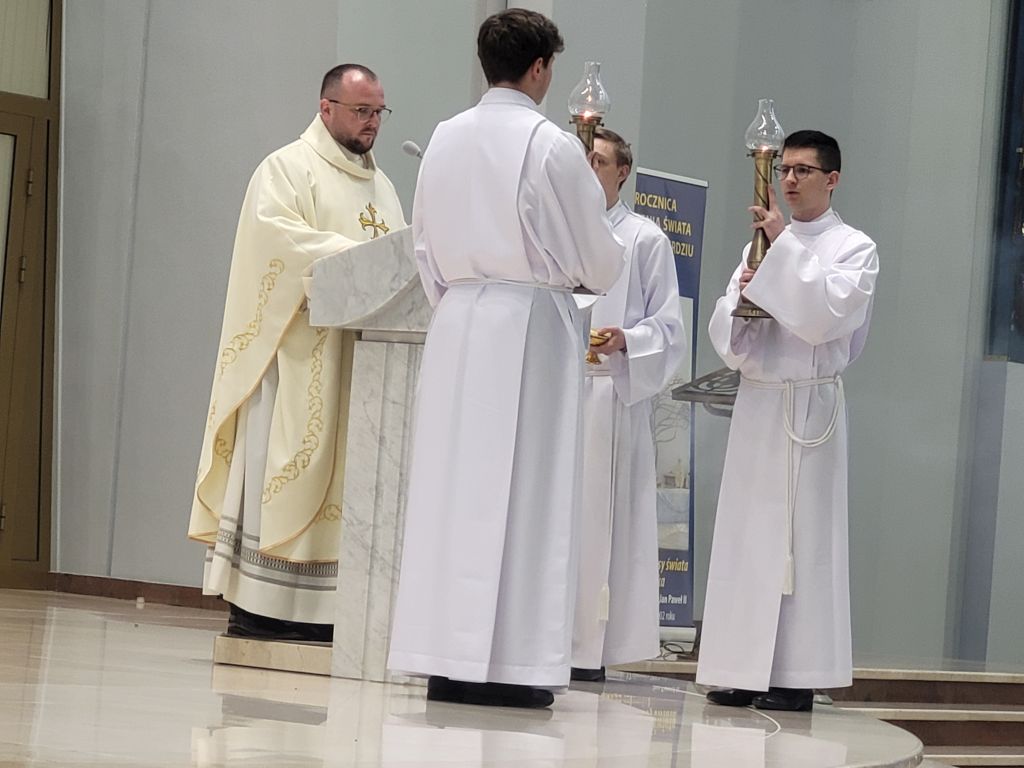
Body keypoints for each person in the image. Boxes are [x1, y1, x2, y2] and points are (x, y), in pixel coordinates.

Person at [386, 8, 626, 709]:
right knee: (529, 491)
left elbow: (422, 243)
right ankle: (512, 665)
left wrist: (459, 299)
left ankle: (445, 659)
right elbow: (598, 260)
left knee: (453, 490)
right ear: (540, 68)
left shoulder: (444, 137)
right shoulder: (552, 146)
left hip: (458, 320)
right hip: (529, 324)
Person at [188, 64, 405, 641]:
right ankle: (260, 604)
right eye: (362, 111)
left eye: (379, 112)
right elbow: (277, 243)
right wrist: (357, 256)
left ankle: (333, 610)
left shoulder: (383, 188)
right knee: (280, 464)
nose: (372, 123)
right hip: (296, 359)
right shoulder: (286, 169)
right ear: (326, 107)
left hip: (359, 363)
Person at [696, 130, 879, 711]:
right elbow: (731, 332)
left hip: (809, 407)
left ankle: (796, 676)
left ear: (833, 179)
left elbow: (825, 317)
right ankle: (739, 668)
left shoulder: (855, 247)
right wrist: (744, 302)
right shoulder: (761, 244)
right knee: (747, 538)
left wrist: (778, 255)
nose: (790, 180)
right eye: (785, 169)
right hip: (760, 405)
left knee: (804, 540)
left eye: (804, 170)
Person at [570, 127, 687, 682]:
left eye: (598, 161)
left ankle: (589, 648)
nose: (588, 169)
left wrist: (628, 341)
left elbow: (669, 327)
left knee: (600, 523)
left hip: (610, 394)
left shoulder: (644, 239)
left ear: (622, 173)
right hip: (560, 393)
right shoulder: (560, 235)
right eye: (582, 159)